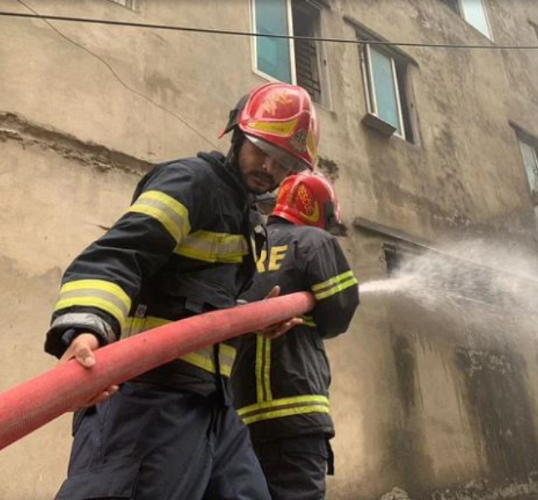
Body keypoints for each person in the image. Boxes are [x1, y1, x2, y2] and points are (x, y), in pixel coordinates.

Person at [43, 82, 319, 500]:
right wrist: (88, 328)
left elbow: (192, 300)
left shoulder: (245, 214)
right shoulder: (192, 182)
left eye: (283, 161)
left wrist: (251, 318)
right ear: (237, 134)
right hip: (146, 401)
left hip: (212, 408)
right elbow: (119, 254)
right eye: (262, 148)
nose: (269, 166)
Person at [231, 172, 360, 500]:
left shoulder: (247, 244)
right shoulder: (315, 242)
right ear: (320, 209)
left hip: (239, 418)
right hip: (298, 413)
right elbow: (338, 314)